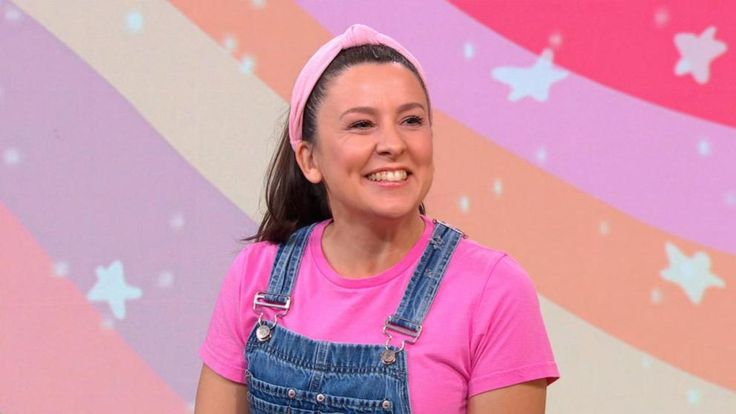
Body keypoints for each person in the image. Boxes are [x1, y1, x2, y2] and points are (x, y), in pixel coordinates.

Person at [195, 24, 559, 414]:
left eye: (411, 120)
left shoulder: (494, 291)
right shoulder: (255, 277)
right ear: (309, 159)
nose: (393, 144)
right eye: (361, 124)